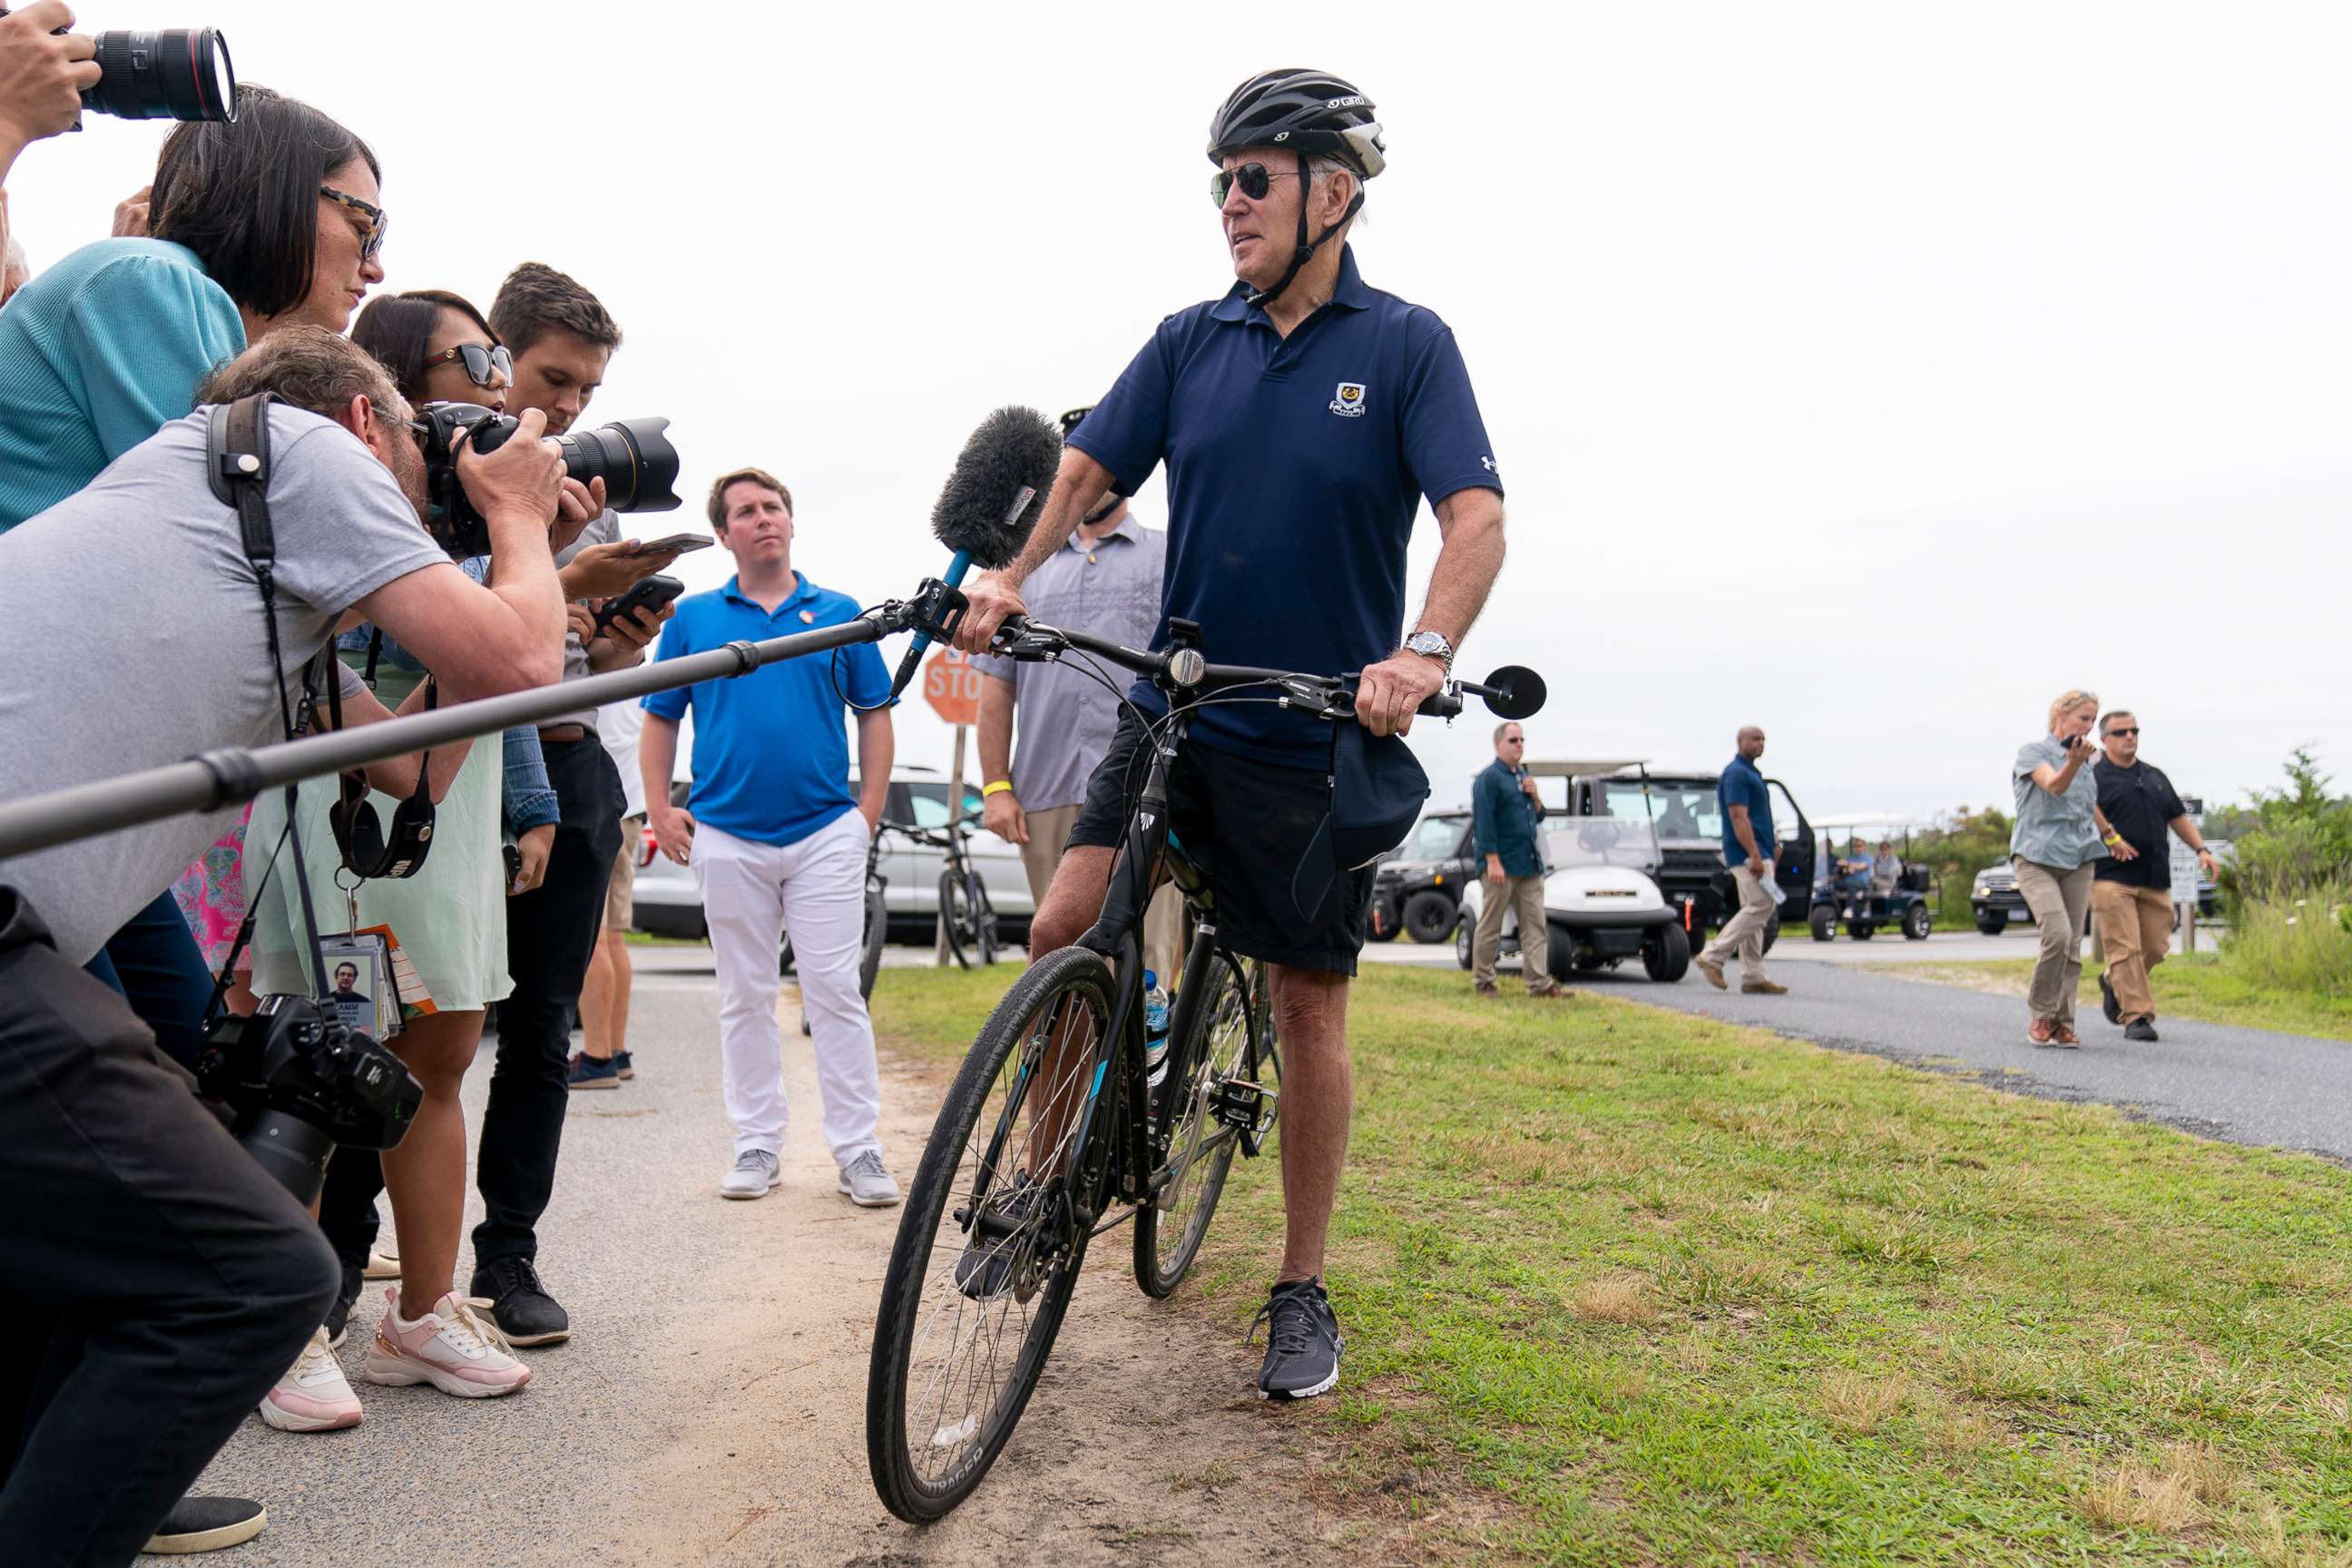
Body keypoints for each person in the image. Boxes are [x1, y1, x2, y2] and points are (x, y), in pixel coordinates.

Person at [952, 70, 1506, 1403]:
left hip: (1312, 729)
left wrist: (1421, 651)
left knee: (1311, 1003)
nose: (1230, 205)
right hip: (1175, 705)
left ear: (1336, 190)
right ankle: (1044, 1180)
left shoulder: (1407, 345)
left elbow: (1473, 518)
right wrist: (1009, 575)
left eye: (1254, 177)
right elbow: (1088, 471)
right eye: (1219, 181)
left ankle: (1301, 1287)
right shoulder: (1190, 339)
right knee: (1061, 931)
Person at [0, 324, 565, 1566]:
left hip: (20, 934)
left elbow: (408, 765)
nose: (436, 469)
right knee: (251, 1275)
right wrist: (518, 524)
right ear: (365, 427)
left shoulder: (233, 529)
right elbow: (528, 653)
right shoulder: (304, 442)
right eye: (423, 442)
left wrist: (535, 567)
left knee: (80, 1276)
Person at [0, 81, 385, 1090]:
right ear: (275, 190)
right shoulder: (155, 281)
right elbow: (233, 559)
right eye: (364, 216)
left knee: (179, 1069)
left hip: (65, 761)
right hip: (38, 753)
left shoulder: (179, 302)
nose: (375, 263)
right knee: (122, 1093)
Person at [468, 260, 686, 1346]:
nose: (568, 409)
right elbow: (444, 616)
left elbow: (559, 660)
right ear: (493, 357)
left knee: (542, 1029)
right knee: (420, 1014)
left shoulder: (585, 495)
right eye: (554, 378)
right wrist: (550, 561)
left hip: (572, 764)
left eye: (590, 391)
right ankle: (342, 1242)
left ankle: (508, 1256)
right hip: (460, 767)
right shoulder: (442, 465)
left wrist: (607, 640)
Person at [642, 467, 902, 1207]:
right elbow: (661, 715)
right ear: (724, 535)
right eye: (746, 512)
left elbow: (874, 711)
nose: (763, 519)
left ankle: (859, 1152)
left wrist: (868, 811)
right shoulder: (694, 619)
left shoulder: (840, 612)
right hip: (726, 834)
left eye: (773, 507)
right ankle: (756, 1144)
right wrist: (661, 807)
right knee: (746, 995)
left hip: (825, 831)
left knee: (834, 991)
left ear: (790, 521)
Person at [974, 404, 1180, 984]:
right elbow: (995, 689)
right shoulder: (1019, 573)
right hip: (1046, 792)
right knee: (1057, 966)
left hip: (1147, 787)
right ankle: (1069, 1077)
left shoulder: (1171, 557)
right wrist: (996, 788)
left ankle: (1153, 1074)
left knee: (1149, 964)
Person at [2091, 710, 2220, 1043]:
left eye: (2134, 730)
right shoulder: (2093, 779)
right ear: (2104, 740)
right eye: (2120, 732)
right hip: (2110, 876)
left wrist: (2201, 850)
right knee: (2125, 948)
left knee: (2157, 947)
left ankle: (2111, 980)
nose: (2130, 737)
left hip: (2154, 877)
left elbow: (2177, 817)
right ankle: (2137, 1017)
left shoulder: (2154, 776)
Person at [2011, 689, 2107, 1047]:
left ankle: (2063, 1023)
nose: (2089, 726)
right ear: (2060, 716)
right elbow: (2053, 786)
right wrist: (2074, 762)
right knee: (2057, 934)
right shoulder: (2033, 753)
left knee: (2072, 945)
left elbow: (2087, 804)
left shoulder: (2089, 761)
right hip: (2037, 857)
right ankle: (2041, 1013)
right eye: (2084, 718)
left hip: (2079, 857)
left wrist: (2109, 834)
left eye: (2093, 720)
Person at [573, 695, 648, 1088]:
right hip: (631, 809)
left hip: (604, 808)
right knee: (614, 939)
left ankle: (597, 1056)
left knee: (594, 938)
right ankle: (616, 1052)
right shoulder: (637, 674)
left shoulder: (600, 668)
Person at [1470, 722, 1561, 998]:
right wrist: (1492, 860)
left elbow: (1539, 817)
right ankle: (1484, 980)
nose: (1519, 744)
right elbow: (1483, 823)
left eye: (1521, 739)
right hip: (1501, 865)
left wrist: (1535, 797)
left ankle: (1539, 983)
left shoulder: (1523, 775)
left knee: (1535, 925)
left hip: (1529, 864)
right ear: (1498, 744)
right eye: (1513, 740)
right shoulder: (1489, 779)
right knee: (1491, 924)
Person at [1694, 727, 1787, 995]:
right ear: (1740, 742)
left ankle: (1753, 976)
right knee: (1762, 905)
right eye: (1755, 739)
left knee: (1754, 909)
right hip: (1747, 853)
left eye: (1763, 740)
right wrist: (1755, 854)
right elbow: (1738, 817)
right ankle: (1713, 955)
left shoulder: (1751, 774)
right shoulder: (1736, 774)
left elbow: (1758, 817)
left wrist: (1773, 843)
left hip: (1761, 850)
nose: (1760, 744)